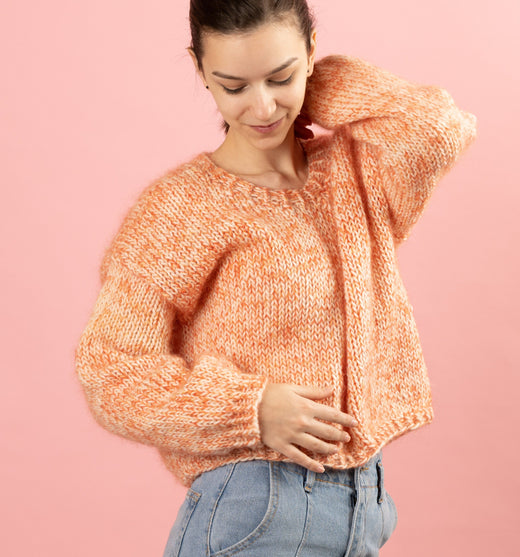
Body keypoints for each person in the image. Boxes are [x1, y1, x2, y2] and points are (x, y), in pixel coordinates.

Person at [74, 0, 477, 555]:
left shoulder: (355, 173)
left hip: (365, 508)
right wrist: (250, 409)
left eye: (279, 77)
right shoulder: (182, 207)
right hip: (256, 511)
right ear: (200, 70)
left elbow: (436, 126)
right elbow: (110, 371)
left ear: (311, 51)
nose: (262, 106)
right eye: (233, 86)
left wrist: (317, 85)